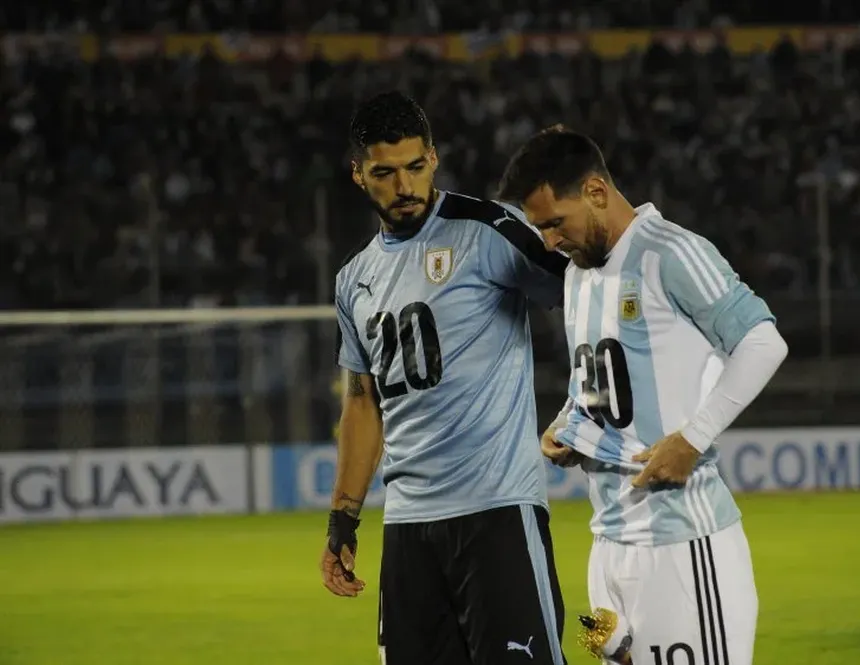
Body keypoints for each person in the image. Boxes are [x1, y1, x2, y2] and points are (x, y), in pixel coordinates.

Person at [497, 126, 789, 665]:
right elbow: (600, 377)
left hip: (681, 545)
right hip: (605, 547)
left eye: (554, 223)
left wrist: (693, 439)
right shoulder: (577, 275)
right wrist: (566, 424)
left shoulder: (671, 252)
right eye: (540, 228)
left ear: (596, 192)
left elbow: (764, 341)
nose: (548, 242)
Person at [319, 91, 570, 665]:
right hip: (408, 527)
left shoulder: (488, 229)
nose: (404, 186)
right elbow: (362, 403)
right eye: (384, 172)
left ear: (433, 158)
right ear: (359, 175)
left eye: (414, 166)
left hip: (497, 512)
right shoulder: (353, 279)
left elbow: (582, 291)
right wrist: (343, 517)